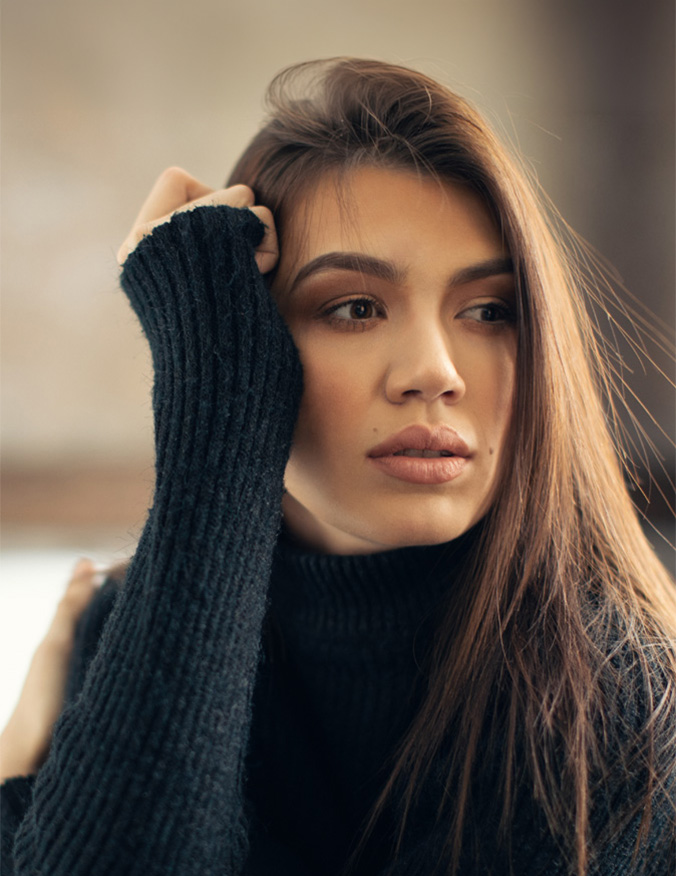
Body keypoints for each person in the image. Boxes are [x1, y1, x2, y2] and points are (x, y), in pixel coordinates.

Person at [1, 57, 674, 876]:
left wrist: (15, 802)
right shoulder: (124, 634)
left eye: (490, 311)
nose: (434, 370)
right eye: (354, 307)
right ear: (248, 341)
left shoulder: (621, 687)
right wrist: (212, 403)